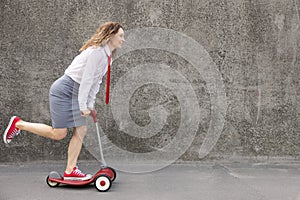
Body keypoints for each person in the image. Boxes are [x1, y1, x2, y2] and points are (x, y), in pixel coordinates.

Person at [3, 22, 125, 181]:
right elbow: (87, 80)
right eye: (121, 36)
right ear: (111, 36)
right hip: (64, 90)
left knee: (81, 130)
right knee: (59, 133)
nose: (123, 39)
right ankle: (19, 124)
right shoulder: (97, 53)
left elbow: (96, 82)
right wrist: (83, 105)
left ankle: (70, 170)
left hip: (76, 92)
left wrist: (90, 104)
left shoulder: (107, 57)